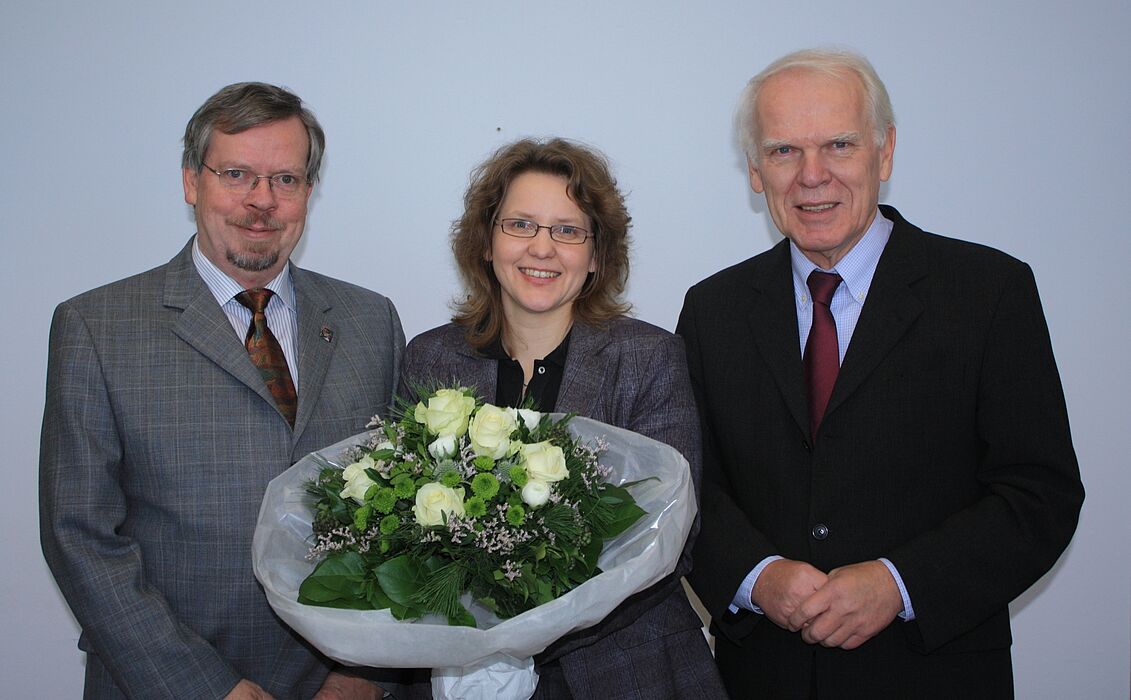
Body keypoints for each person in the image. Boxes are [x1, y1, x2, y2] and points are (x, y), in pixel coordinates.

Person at [677, 49, 1084, 698]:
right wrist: (756, 576)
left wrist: (899, 584)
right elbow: (688, 485)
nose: (812, 176)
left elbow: (1039, 494)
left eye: (838, 145)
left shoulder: (987, 292)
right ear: (755, 171)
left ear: (884, 152)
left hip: (934, 674)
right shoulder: (712, 309)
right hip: (762, 678)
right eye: (783, 151)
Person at [40, 82, 405, 699]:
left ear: (308, 193)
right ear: (192, 182)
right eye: (237, 174)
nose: (261, 201)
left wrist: (361, 674)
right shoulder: (97, 327)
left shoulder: (371, 321)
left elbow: (405, 515)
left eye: (285, 179)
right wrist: (207, 689)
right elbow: (79, 536)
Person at [397, 138, 728, 698]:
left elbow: (672, 540)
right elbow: (402, 533)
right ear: (486, 242)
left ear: (597, 255)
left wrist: (523, 635)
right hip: (461, 676)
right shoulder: (429, 358)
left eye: (568, 230)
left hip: (625, 671)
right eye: (520, 225)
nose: (542, 249)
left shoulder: (648, 358)